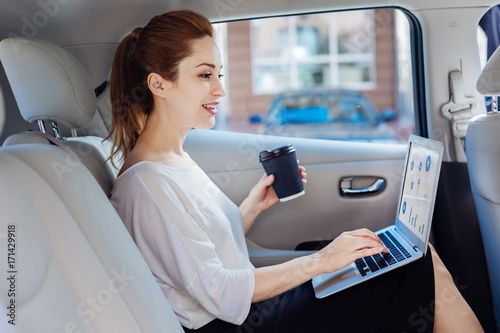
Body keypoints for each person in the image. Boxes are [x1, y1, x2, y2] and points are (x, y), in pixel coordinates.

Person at [107, 9, 483, 332]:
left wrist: (253, 206)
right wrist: (322, 261)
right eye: (205, 75)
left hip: (240, 314)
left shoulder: (174, 159)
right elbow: (220, 292)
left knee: (411, 256)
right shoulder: (147, 183)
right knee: (415, 269)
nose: (219, 90)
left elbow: (201, 254)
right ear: (159, 84)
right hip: (231, 323)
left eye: (219, 75)